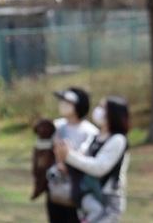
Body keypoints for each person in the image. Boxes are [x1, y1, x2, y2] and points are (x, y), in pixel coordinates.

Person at [55, 96, 130, 223]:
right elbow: (81, 156)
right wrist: (65, 155)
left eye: (102, 107)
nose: (98, 111)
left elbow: (99, 168)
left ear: (113, 113)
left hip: (107, 200)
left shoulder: (117, 140)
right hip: (89, 195)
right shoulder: (96, 137)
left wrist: (69, 155)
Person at [47, 88, 99, 223]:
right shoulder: (56, 126)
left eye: (67, 102)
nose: (62, 104)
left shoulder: (89, 131)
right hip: (55, 189)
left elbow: (89, 160)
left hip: (77, 191)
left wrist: (67, 162)